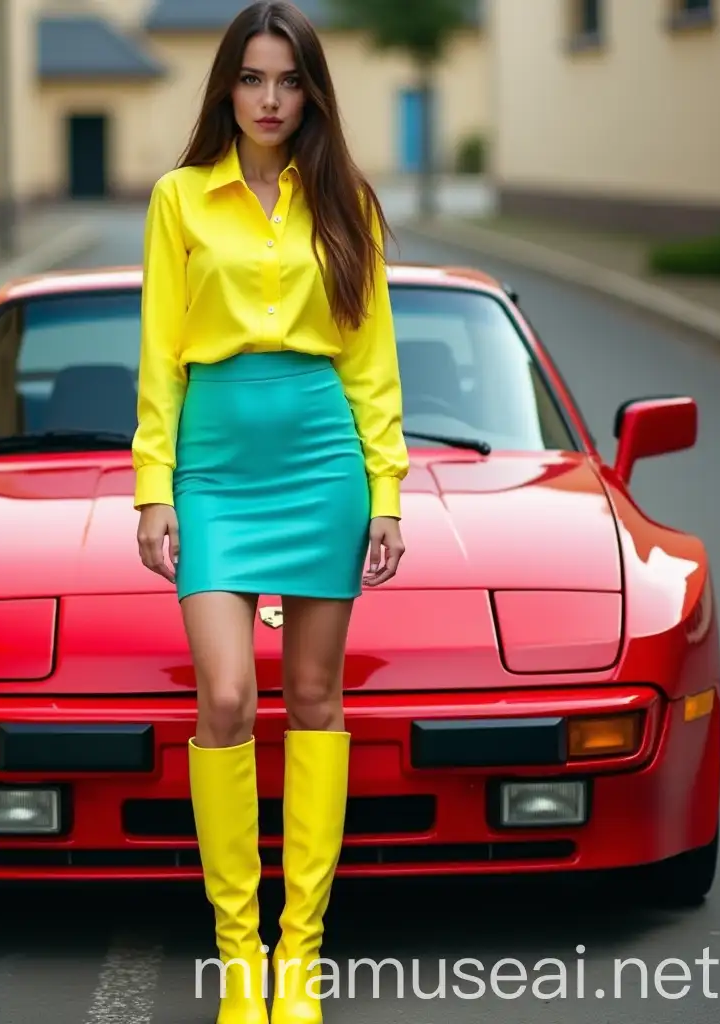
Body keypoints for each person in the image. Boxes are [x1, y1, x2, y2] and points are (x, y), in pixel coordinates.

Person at [131, 1, 408, 1020]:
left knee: (318, 696)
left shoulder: (348, 204)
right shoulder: (178, 199)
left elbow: (372, 363)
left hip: (321, 455)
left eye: (288, 81)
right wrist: (151, 487)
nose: (270, 99)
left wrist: (386, 492)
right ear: (226, 87)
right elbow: (159, 354)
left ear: (313, 92)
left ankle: (300, 956)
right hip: (211, 462)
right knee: (226, 700)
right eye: (252, 79)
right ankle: (237, 956)